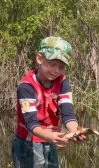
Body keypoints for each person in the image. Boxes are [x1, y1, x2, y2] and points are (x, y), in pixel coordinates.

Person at [12, 36, 86, 168]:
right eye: (52, 64)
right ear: (39, 58)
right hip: (28, 142)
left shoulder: (62, 81)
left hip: (51, 139)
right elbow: (31, 123)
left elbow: (68, 113)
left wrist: (75, 130)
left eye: (61, 66)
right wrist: (49, 136)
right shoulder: (26, 87)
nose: (56, 71)